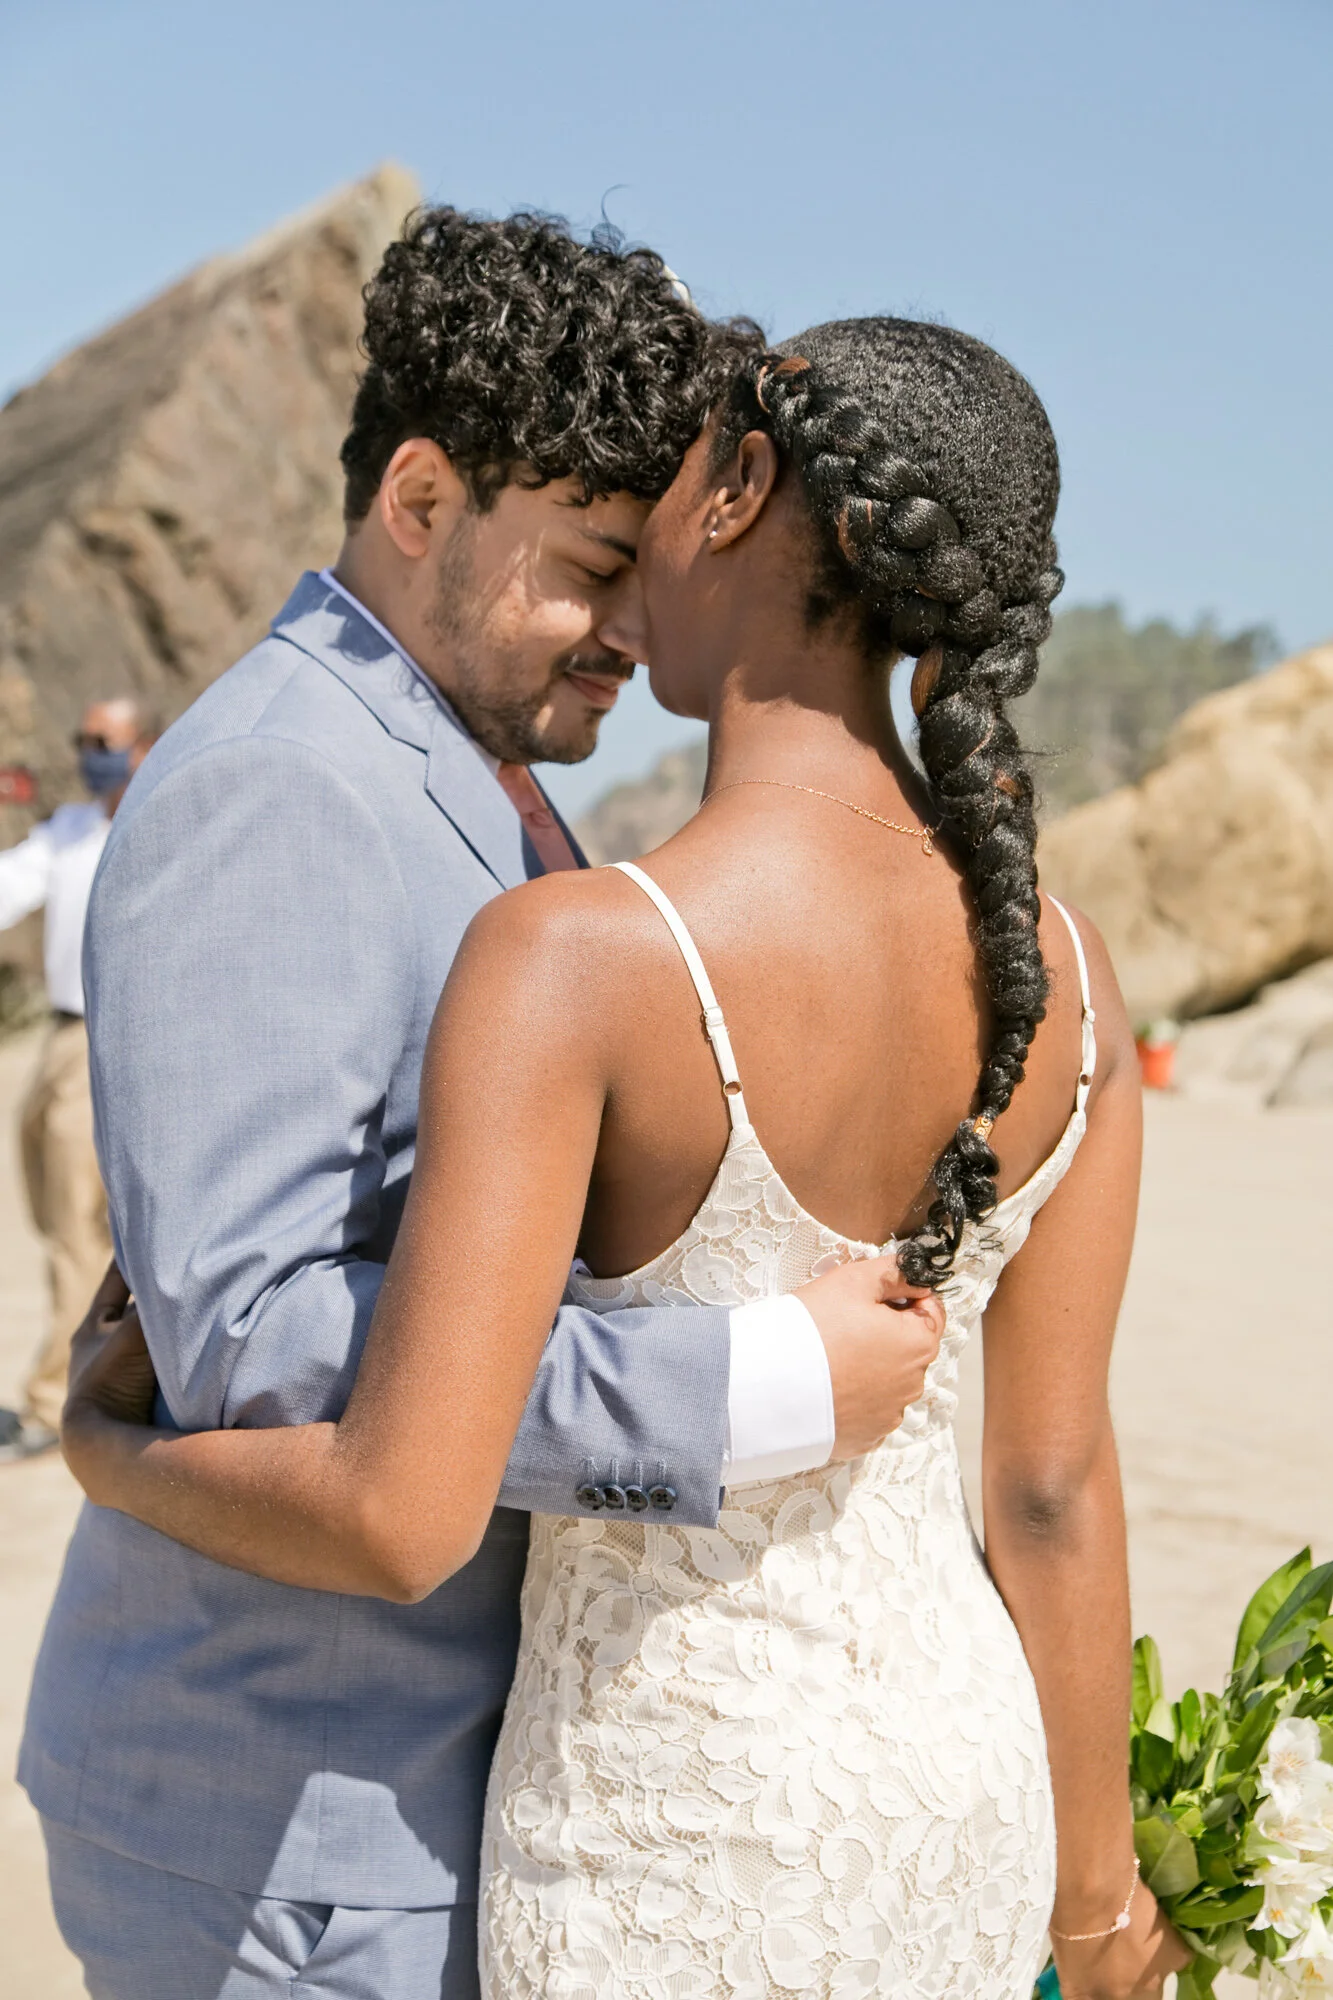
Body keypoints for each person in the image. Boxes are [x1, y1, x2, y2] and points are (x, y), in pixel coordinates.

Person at [64, 320, 1194, 1999]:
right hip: (959, 1789)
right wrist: (1095, 1905)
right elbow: (1048, 1491)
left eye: (675, 481)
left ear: (740, 490)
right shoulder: (1068, 975)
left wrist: (110, 1453)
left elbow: (399, 1509)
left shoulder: (581, 954)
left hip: (673, 1812)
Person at [0, 697, 157, 1461]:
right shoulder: (70, 827)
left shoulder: (163, 820)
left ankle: (50, 1403)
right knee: (47, 1203)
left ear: (143, 747)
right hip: (61, 1037)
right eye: (83, 738)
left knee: (76, 1226)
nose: (90, 751)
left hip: (116, 1036)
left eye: (105, 740)